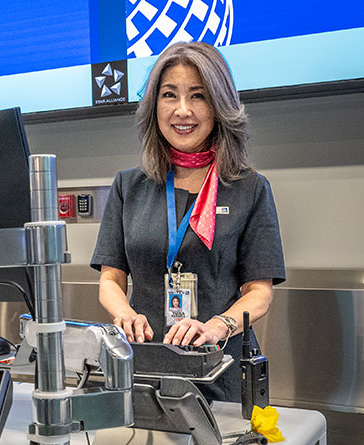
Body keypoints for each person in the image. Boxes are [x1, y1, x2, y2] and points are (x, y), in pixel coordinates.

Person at [90, 42, 285, 402]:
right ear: (154, 106)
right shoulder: (128, 186)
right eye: (169, 95)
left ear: (218, 106)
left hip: (221, 371)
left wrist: (215, 328)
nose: (182, 111)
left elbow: (259, 294)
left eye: (198, 96)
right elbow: (110, 278)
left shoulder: (250, 189)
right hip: (143, 367)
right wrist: (125, 315)